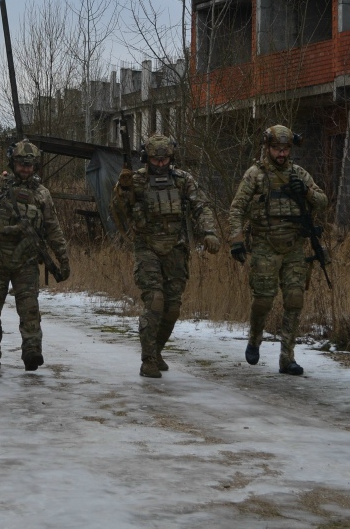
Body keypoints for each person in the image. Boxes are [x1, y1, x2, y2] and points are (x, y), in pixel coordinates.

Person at [112, 133, 220, 379]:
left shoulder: (183, 181)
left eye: (165, 160)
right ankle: (147, 359)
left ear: (171, 158)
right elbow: (118, 213)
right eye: (155, 160)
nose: (160, 164)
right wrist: (122, 190)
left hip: (176, 249)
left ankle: (157, 350)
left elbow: (201, 206)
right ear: (146, 158)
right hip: (147, 247)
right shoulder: (136, 181)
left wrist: (209, 232)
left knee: (172, 308)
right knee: (155, 301)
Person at [228, 124, 328, 376]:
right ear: (267, 148)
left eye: (285, 149)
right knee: (263, 300)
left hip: (294, 246)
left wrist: (305, 191)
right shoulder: (255, 175)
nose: (281, 154)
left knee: (294, 300)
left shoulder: (299, 174)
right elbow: (237, 208)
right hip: (265, 245)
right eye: (276, 149)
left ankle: (287, 358)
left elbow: (323, 201)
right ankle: (254, 338)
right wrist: (237, 240)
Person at [0, 139, 70, 372]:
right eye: (22, 164)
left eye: (30, 165)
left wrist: (63, 259)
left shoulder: (41, 194)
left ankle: (32, 351)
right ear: (13, 162)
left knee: (30, 309)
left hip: (27, 262)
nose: (26, 169)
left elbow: (53, 229)